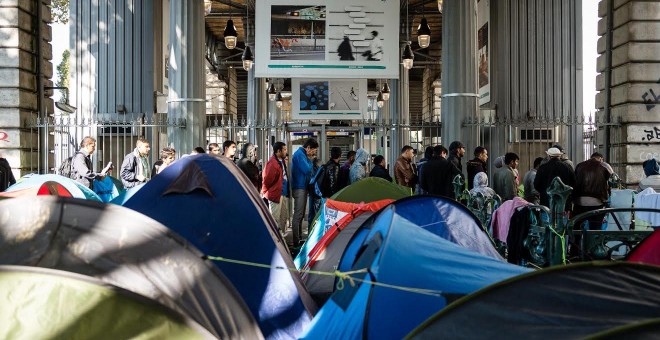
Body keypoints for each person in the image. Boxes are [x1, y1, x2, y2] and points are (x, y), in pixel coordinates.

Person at [291, 138, 318, 246]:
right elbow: (307, 170)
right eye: (312, 151)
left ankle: (299, 238)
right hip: (299, 187)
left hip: (302, 187)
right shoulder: (299, 155)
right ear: (308, 148)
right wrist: (311, 160)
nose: (312, 153)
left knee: (301, 215)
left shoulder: (302, 155)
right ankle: (296, 241)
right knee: (298, 215)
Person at [572, 152, 611, 229]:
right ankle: (593, 240)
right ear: (601, 158)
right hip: (597, 202)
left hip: (579, 202)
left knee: (577, 227)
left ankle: (577, 240)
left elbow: (574, 180)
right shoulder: (604, 166)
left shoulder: (580, 165)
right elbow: (612, 180)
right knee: (595, 228)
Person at [262, 142, 290, 240]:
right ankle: (273, 240)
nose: (286, 151)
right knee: (275, 218)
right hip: (275, 195)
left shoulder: (280, 161)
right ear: (278, 151)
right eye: (284, 149)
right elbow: (267, 180)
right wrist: (265, 192)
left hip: (282, 193)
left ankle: (281, 238)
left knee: (283, 216)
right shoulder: (272, 163)